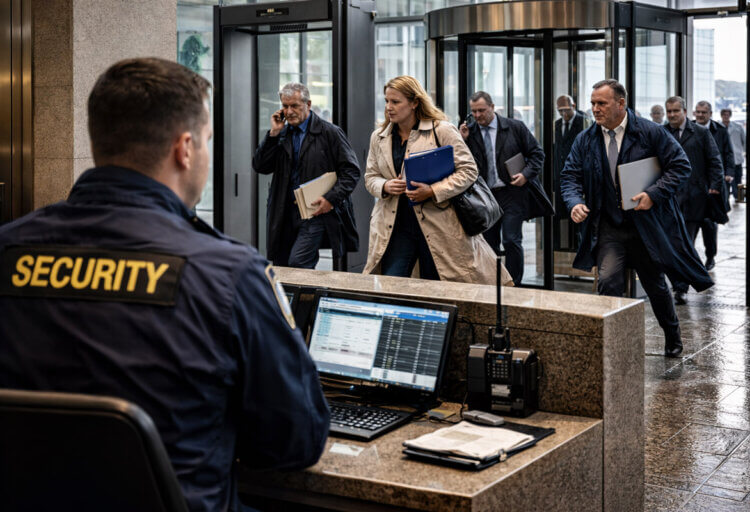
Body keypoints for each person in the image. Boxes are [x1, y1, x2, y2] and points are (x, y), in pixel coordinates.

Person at [0, 58, 330, 512]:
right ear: (185, 148)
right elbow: (296, 440)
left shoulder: (8, 249)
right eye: (209, 142)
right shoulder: (228, 275)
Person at [560, 79, 713, 358]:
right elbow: (569, 176)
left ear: (621, 103)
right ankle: (614, 342)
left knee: (654, 285)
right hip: (609, 226)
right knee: (607, 281)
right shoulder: (586, 138)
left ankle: (672, 335)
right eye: (593, 103)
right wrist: (575, 202)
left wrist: (653, 194)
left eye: (601, 103)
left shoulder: (650, 132)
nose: (595, 109)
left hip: (646, 226)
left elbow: (680, 166)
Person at [363, 76, 510, 285]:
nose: (389, 107)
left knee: (438, 287)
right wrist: (385, 186)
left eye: (396, 102)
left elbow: (468, 170)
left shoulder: (441, 130)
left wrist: (433, 190)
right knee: (391, 285)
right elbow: (370, 177)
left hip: (439, 225)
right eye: (387, 101)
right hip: (394, 225)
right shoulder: (379, 136)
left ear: (415, 103)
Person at [253, 82, 360, 268]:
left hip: (314, 213)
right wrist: (273, 134)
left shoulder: (330, 133)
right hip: (284, 213)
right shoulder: (282, 134)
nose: (289, 111)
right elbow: (261, 166)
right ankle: (298, 297)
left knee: (298, 263)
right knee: (282, 266)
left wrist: (330, 199)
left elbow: (351, 172)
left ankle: (317, 297)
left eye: (294, 106)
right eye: (285, 106)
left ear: (308, 104)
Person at [458, 91, 545, 285]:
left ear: (492, 107)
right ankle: (495, 283)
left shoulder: (514, 127)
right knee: (489, 244)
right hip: (485, 196)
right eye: (474, 112)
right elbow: (461, 162)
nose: (478, 115)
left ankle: (514, 284)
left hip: (512, 192)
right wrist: (462, 140)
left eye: (482, 110)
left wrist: (525, 175)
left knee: (511, 239)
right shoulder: (469, 132)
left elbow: (537, 154)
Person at [665, 97, 724, 305]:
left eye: (675, 111)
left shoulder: (700, 132)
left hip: (695, 198)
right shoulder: (663, 132)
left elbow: (715, 160)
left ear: (684, 111)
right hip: (669, 198)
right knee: (672, 244)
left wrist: (714, 186)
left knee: (685, 243)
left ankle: (680, 288)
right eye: (668, 111)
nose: (671, 115)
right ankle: (682, 282)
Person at [694, 100, 734, 271]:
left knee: (709, 224)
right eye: (698, 112)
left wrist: (729, 173)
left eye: (704, 112)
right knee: (690, 225)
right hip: (694, 186)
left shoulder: (720, 131)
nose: (701, 115)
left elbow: (727, 153)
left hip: (713, 185)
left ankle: (710, 256)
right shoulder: (689, 130)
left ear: (710, 114)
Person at [554, 94, 591, 251]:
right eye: (560, 111)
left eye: (566, 110)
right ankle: (560, 249)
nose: (563, 114)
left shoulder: (584, 122)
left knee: (577, 215)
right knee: (559, 213)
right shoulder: (556, 125)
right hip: (560, 175)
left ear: (573, 106)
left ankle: (578, 247)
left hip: (579, 176)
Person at [721, 108, 746, 201]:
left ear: (730, 116)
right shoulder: (718, 127)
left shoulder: (738, 127)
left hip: (737, 156)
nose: (726, 116)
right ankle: (726, 198)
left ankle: (738, 197)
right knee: (727, 180)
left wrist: (744, 152)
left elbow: (744, 141)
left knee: (738, 178)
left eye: (727, 115)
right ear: (721, 116)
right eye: (724, 115)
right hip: (724, 159)